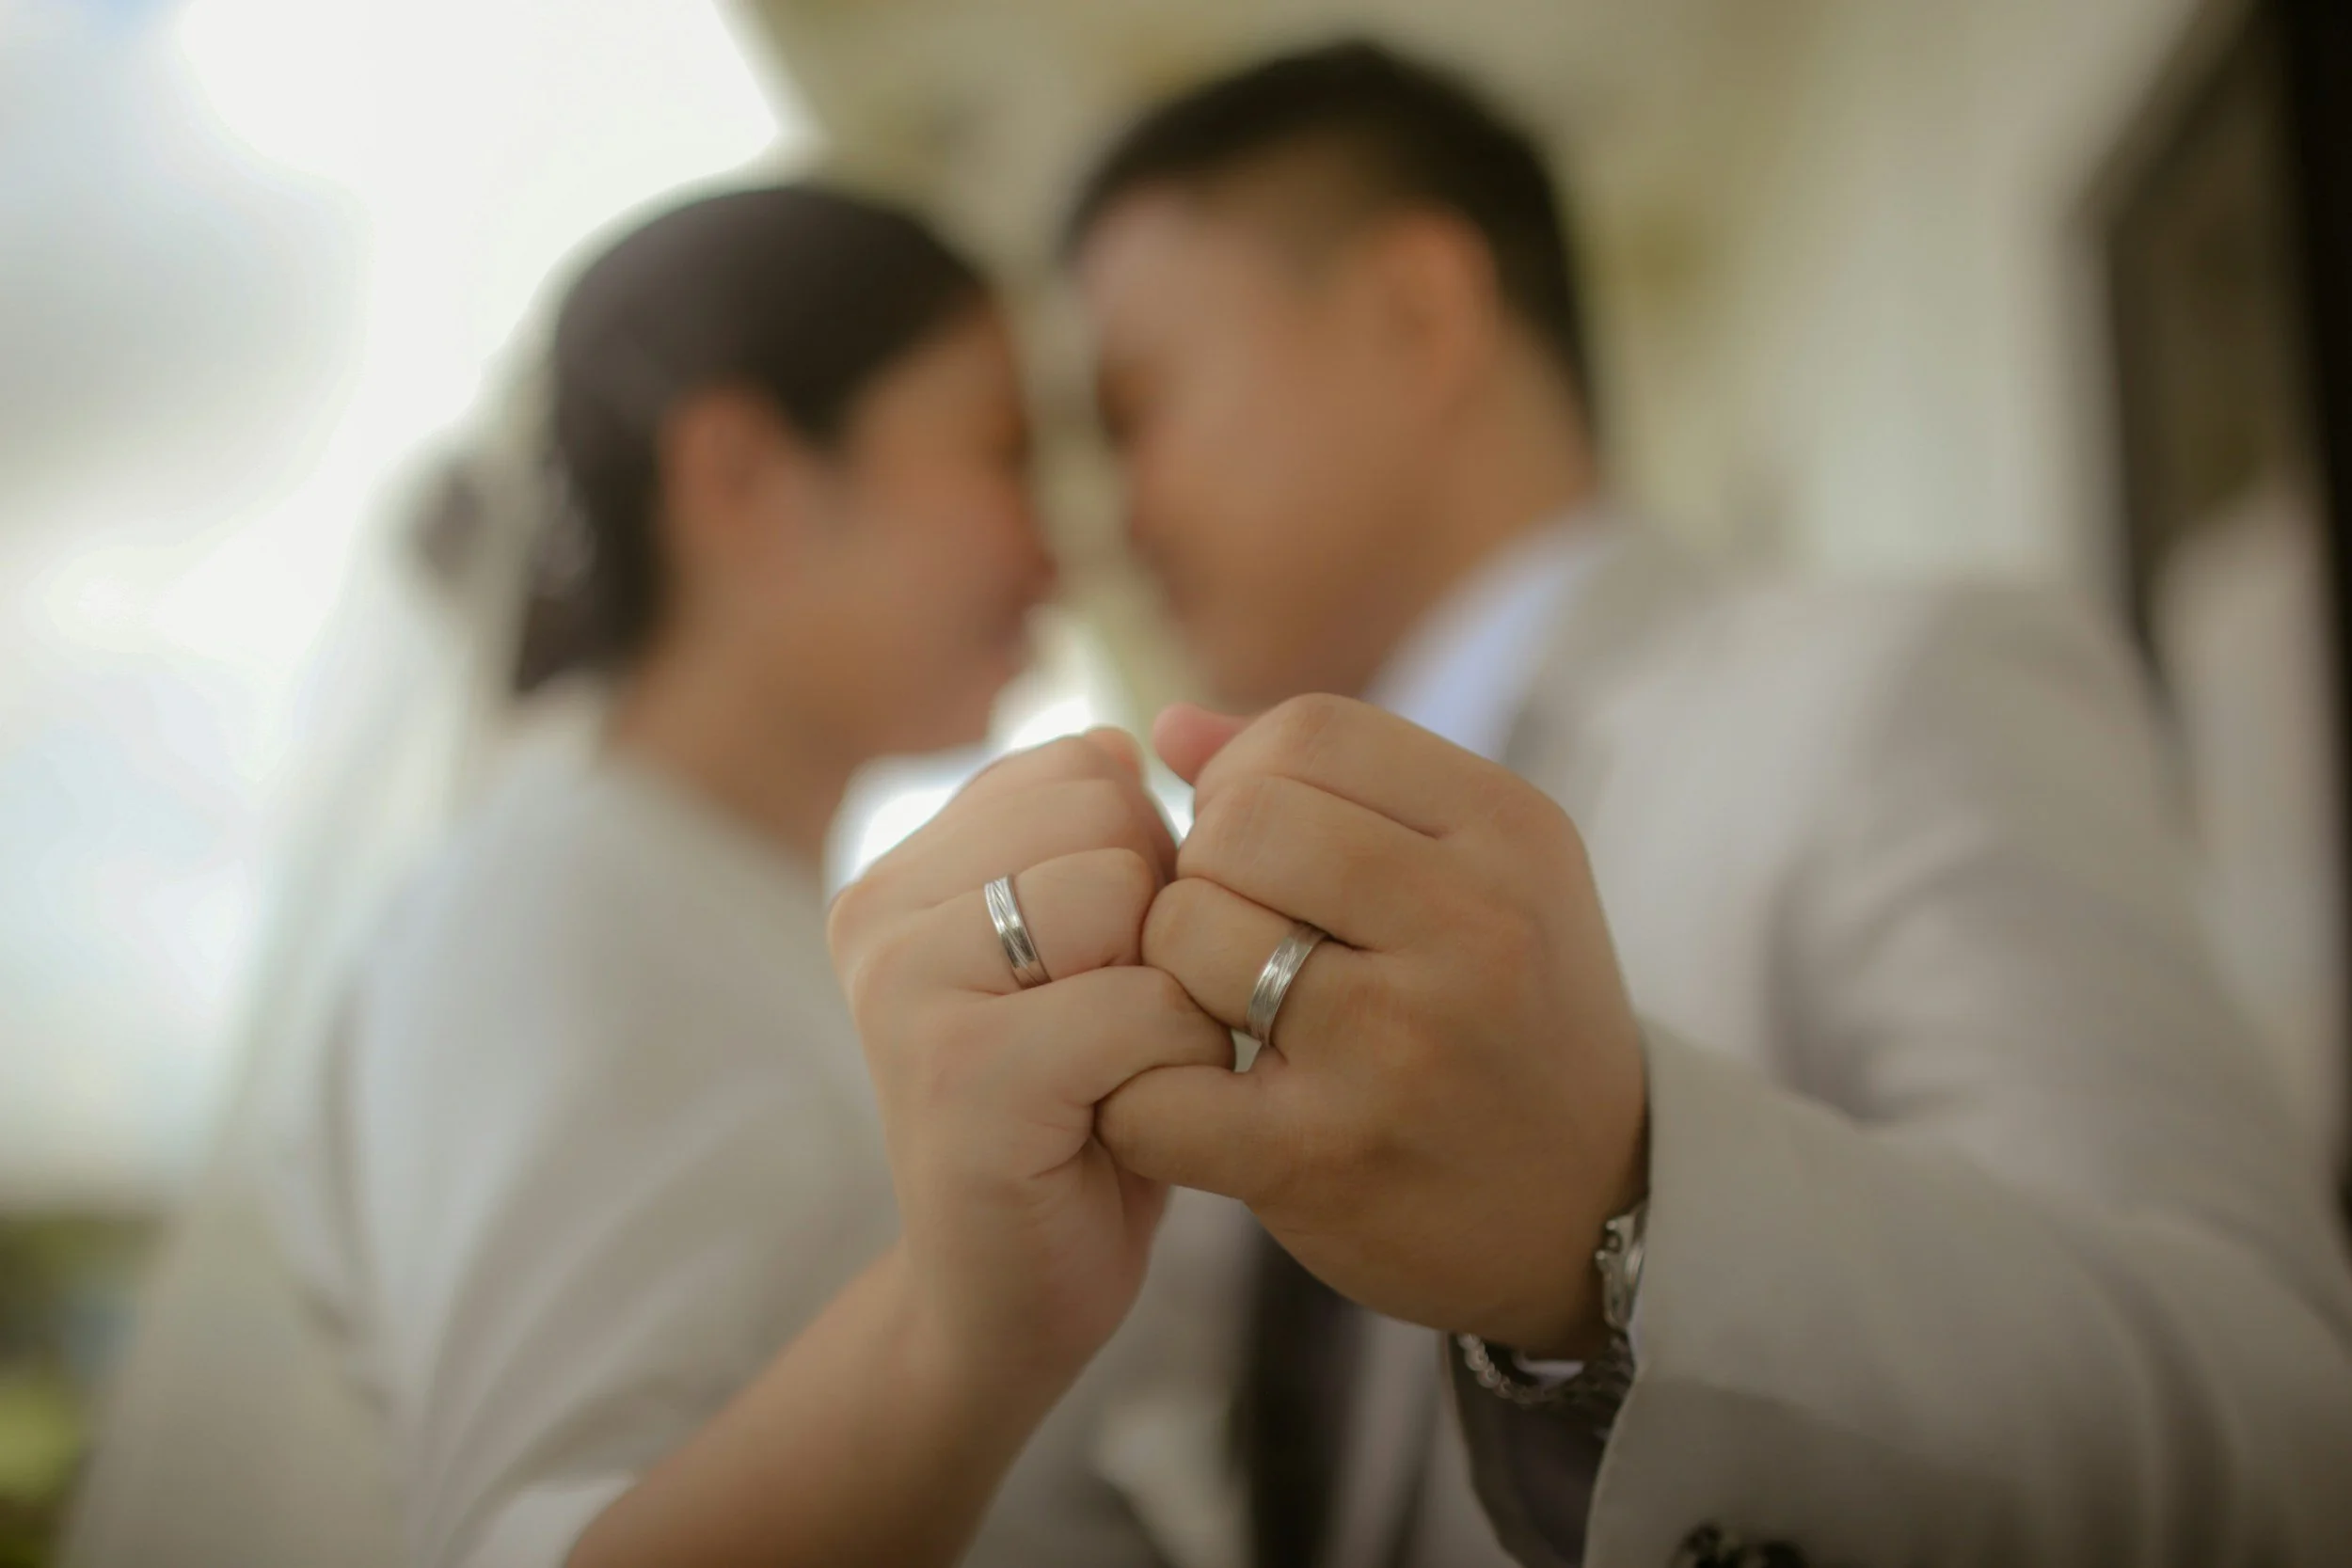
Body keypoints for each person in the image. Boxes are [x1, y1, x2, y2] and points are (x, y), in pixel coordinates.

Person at [1013, 39, 2352, 1567]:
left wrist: (1620, 1220)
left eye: (1135, 408)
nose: (1109, 520)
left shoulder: (1902, 686)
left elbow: (2290, 1433)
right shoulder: (1237, 877)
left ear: (1418, 311)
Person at [266, 184, 1235, 1568]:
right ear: (738, 473)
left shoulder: (735, 903)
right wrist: (959, 1339)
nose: (1061, 546)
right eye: (1003, 450)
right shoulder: (553, 902)